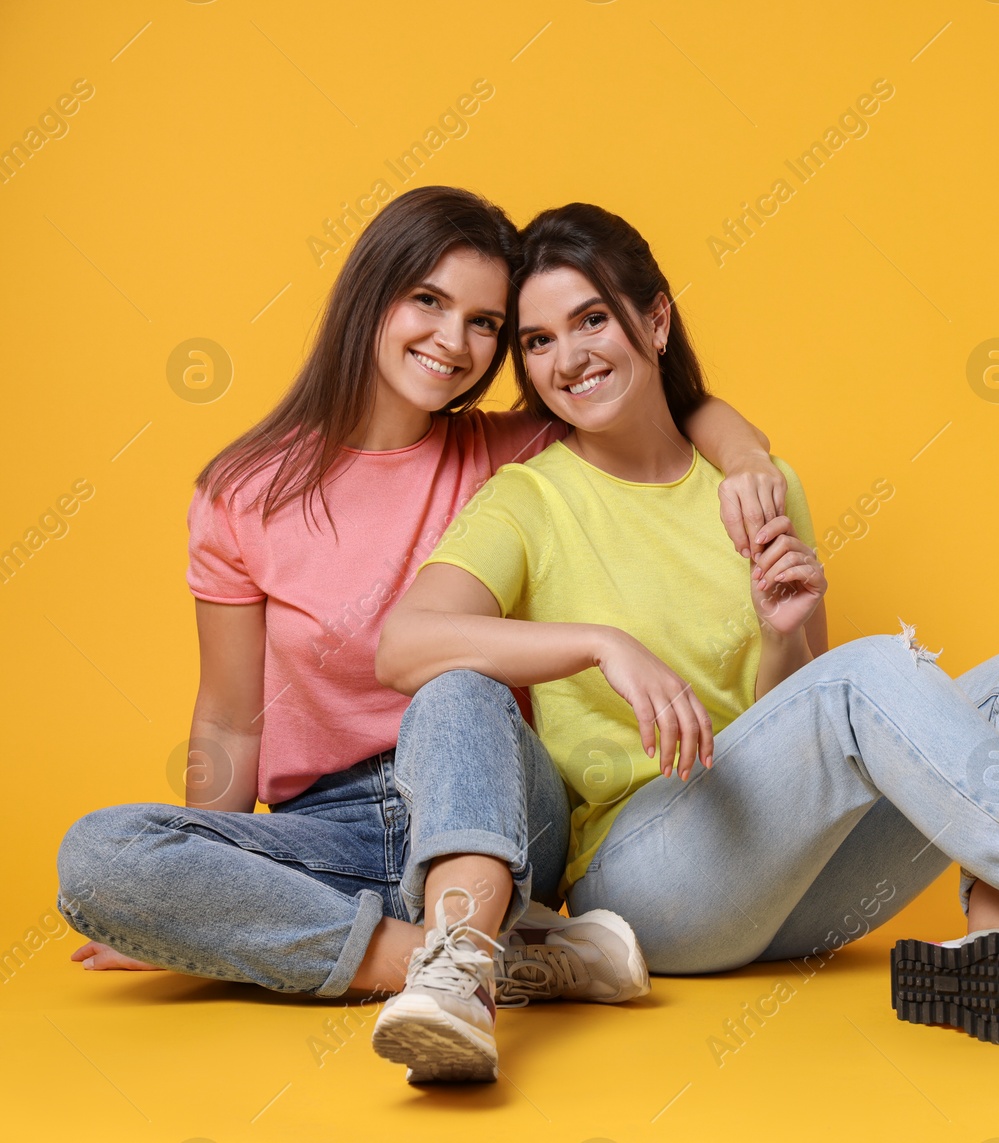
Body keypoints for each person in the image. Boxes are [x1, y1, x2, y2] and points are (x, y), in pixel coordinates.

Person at [376, 202, 999, 1070]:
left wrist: (781, 633)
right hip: (648, 888)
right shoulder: (531, 498)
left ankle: (996, 948)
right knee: (868, 674)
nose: (568, 357)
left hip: (795, 899)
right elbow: (405, 644)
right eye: (539, 340)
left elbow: (789, 734)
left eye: (592, 319)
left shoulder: (758, 488)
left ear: (656, 320)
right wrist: (597, 643)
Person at [55, 186, 787, 1084]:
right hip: (334, 831)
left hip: (501, 800)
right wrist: (209, 892)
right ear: (374, 292)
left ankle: (458, 962)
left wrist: (751, 461)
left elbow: (673, 405)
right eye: (429, 302)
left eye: (486, 323)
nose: (453, 341)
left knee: (455, 681)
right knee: (98, 858)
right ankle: (492, 961)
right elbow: (228, 724)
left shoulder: (504, 449)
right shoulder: (241, 493)